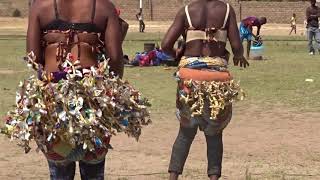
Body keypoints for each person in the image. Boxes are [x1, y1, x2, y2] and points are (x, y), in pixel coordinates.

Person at [26, 0, 123, 179]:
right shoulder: (104, 6)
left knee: (60, 170)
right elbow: (115, 58)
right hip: (93, 99)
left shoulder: (40, 6)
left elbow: (33, 57)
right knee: (93, 170)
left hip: (53, 100)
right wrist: (112, 95)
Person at [161, 0, 248, 179]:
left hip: (189, 78)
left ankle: (173, 176)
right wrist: (239, 56)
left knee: (185, 131)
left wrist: (177, 55)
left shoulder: (186, 10)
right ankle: (214, 177)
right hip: (217, 79)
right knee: (214, 132)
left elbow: (165, 45)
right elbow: (237, 46)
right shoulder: (226, 10)